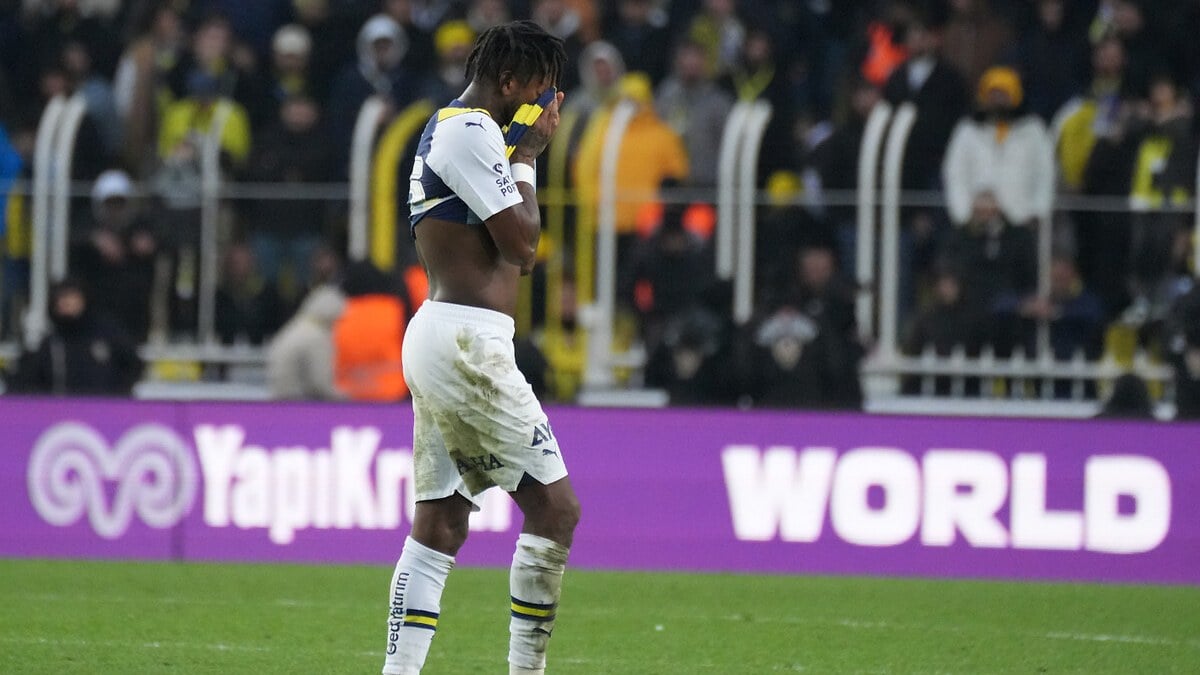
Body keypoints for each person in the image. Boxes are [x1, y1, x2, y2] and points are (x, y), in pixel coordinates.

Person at [382, 21, 579, 675]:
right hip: (466, 340)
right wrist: (528, 156)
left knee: (440, 523)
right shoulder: (470, 129)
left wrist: (518, 148)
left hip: (450, 333)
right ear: (510, 82)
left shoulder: (461, 129)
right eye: (542, 88)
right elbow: (522, 246)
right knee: (555, 509)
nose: (548, 103)